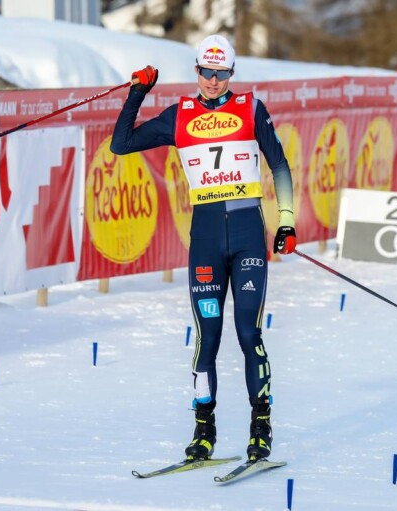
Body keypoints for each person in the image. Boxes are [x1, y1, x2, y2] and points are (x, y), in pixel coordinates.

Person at [110, 34, 296, 463]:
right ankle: (204, 428)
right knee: (207, 338)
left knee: (249, 333)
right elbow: (122, 144)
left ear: (232, 73)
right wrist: (138, 93)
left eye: (221, 73)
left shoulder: (250, 108)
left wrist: (286, 221)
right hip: (207, 240)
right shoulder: (180, 116)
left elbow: (279, 164)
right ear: (195, 71)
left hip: (248, 233)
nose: (213, 81)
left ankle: (260, 425)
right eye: (206, 72)